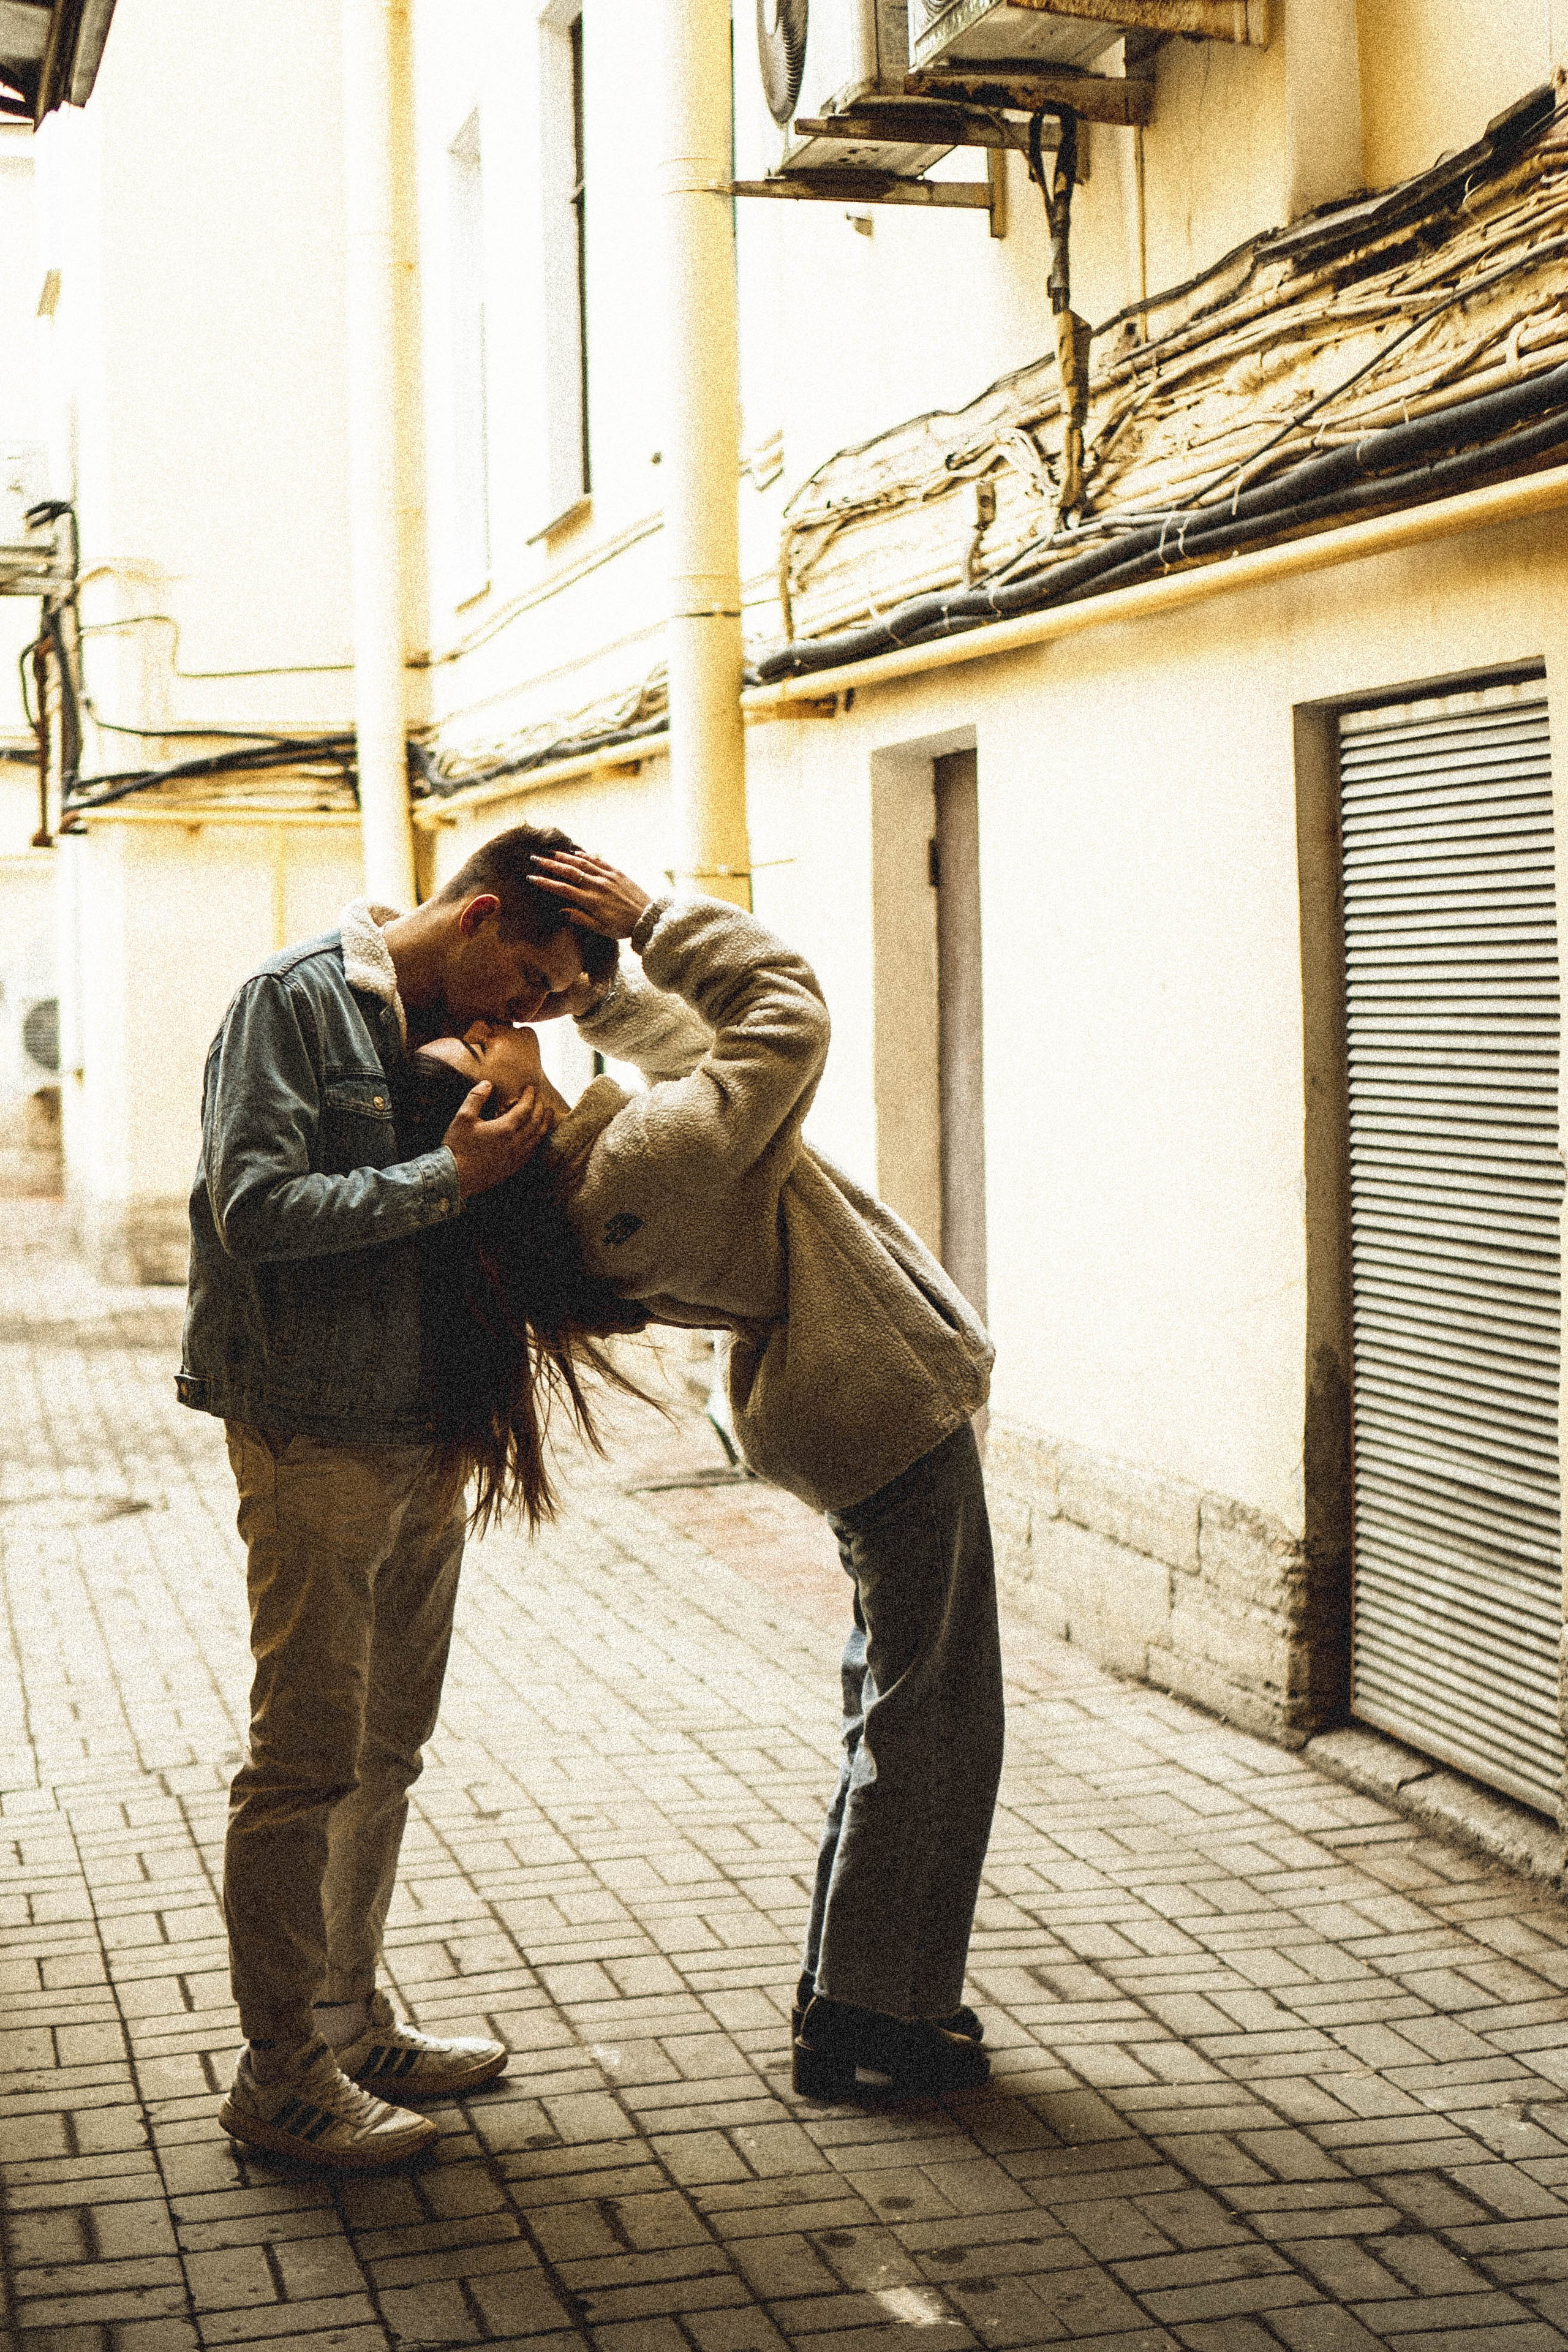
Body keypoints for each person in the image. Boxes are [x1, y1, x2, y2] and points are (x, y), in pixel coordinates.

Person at [413, 850, 1003, 2103]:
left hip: (845, 1410)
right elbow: (781, 1020)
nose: (501, 1024)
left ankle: (861, 1988)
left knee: (897, 1704)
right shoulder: (634, 1168)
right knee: (932, 1720)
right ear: (502, 1120)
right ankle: (875, 2016)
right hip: (880, 1410)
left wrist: (596, 997)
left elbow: (689, 1065)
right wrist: (656, 922)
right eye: (479, 1049)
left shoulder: (597, 1179)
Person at [178, 823, 616, 2170]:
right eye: (531, 981)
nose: (530, 1011)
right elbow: (254, 1209)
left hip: (429, 1427)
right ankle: (278, 2076)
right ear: (477, 917)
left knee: (387, 1748)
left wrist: (528, 1080)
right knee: (304, 1758)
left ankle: (348, 2022)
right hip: (315, 1427)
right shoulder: (291, 1003)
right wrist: (451, 1176)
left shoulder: (467, 1032)